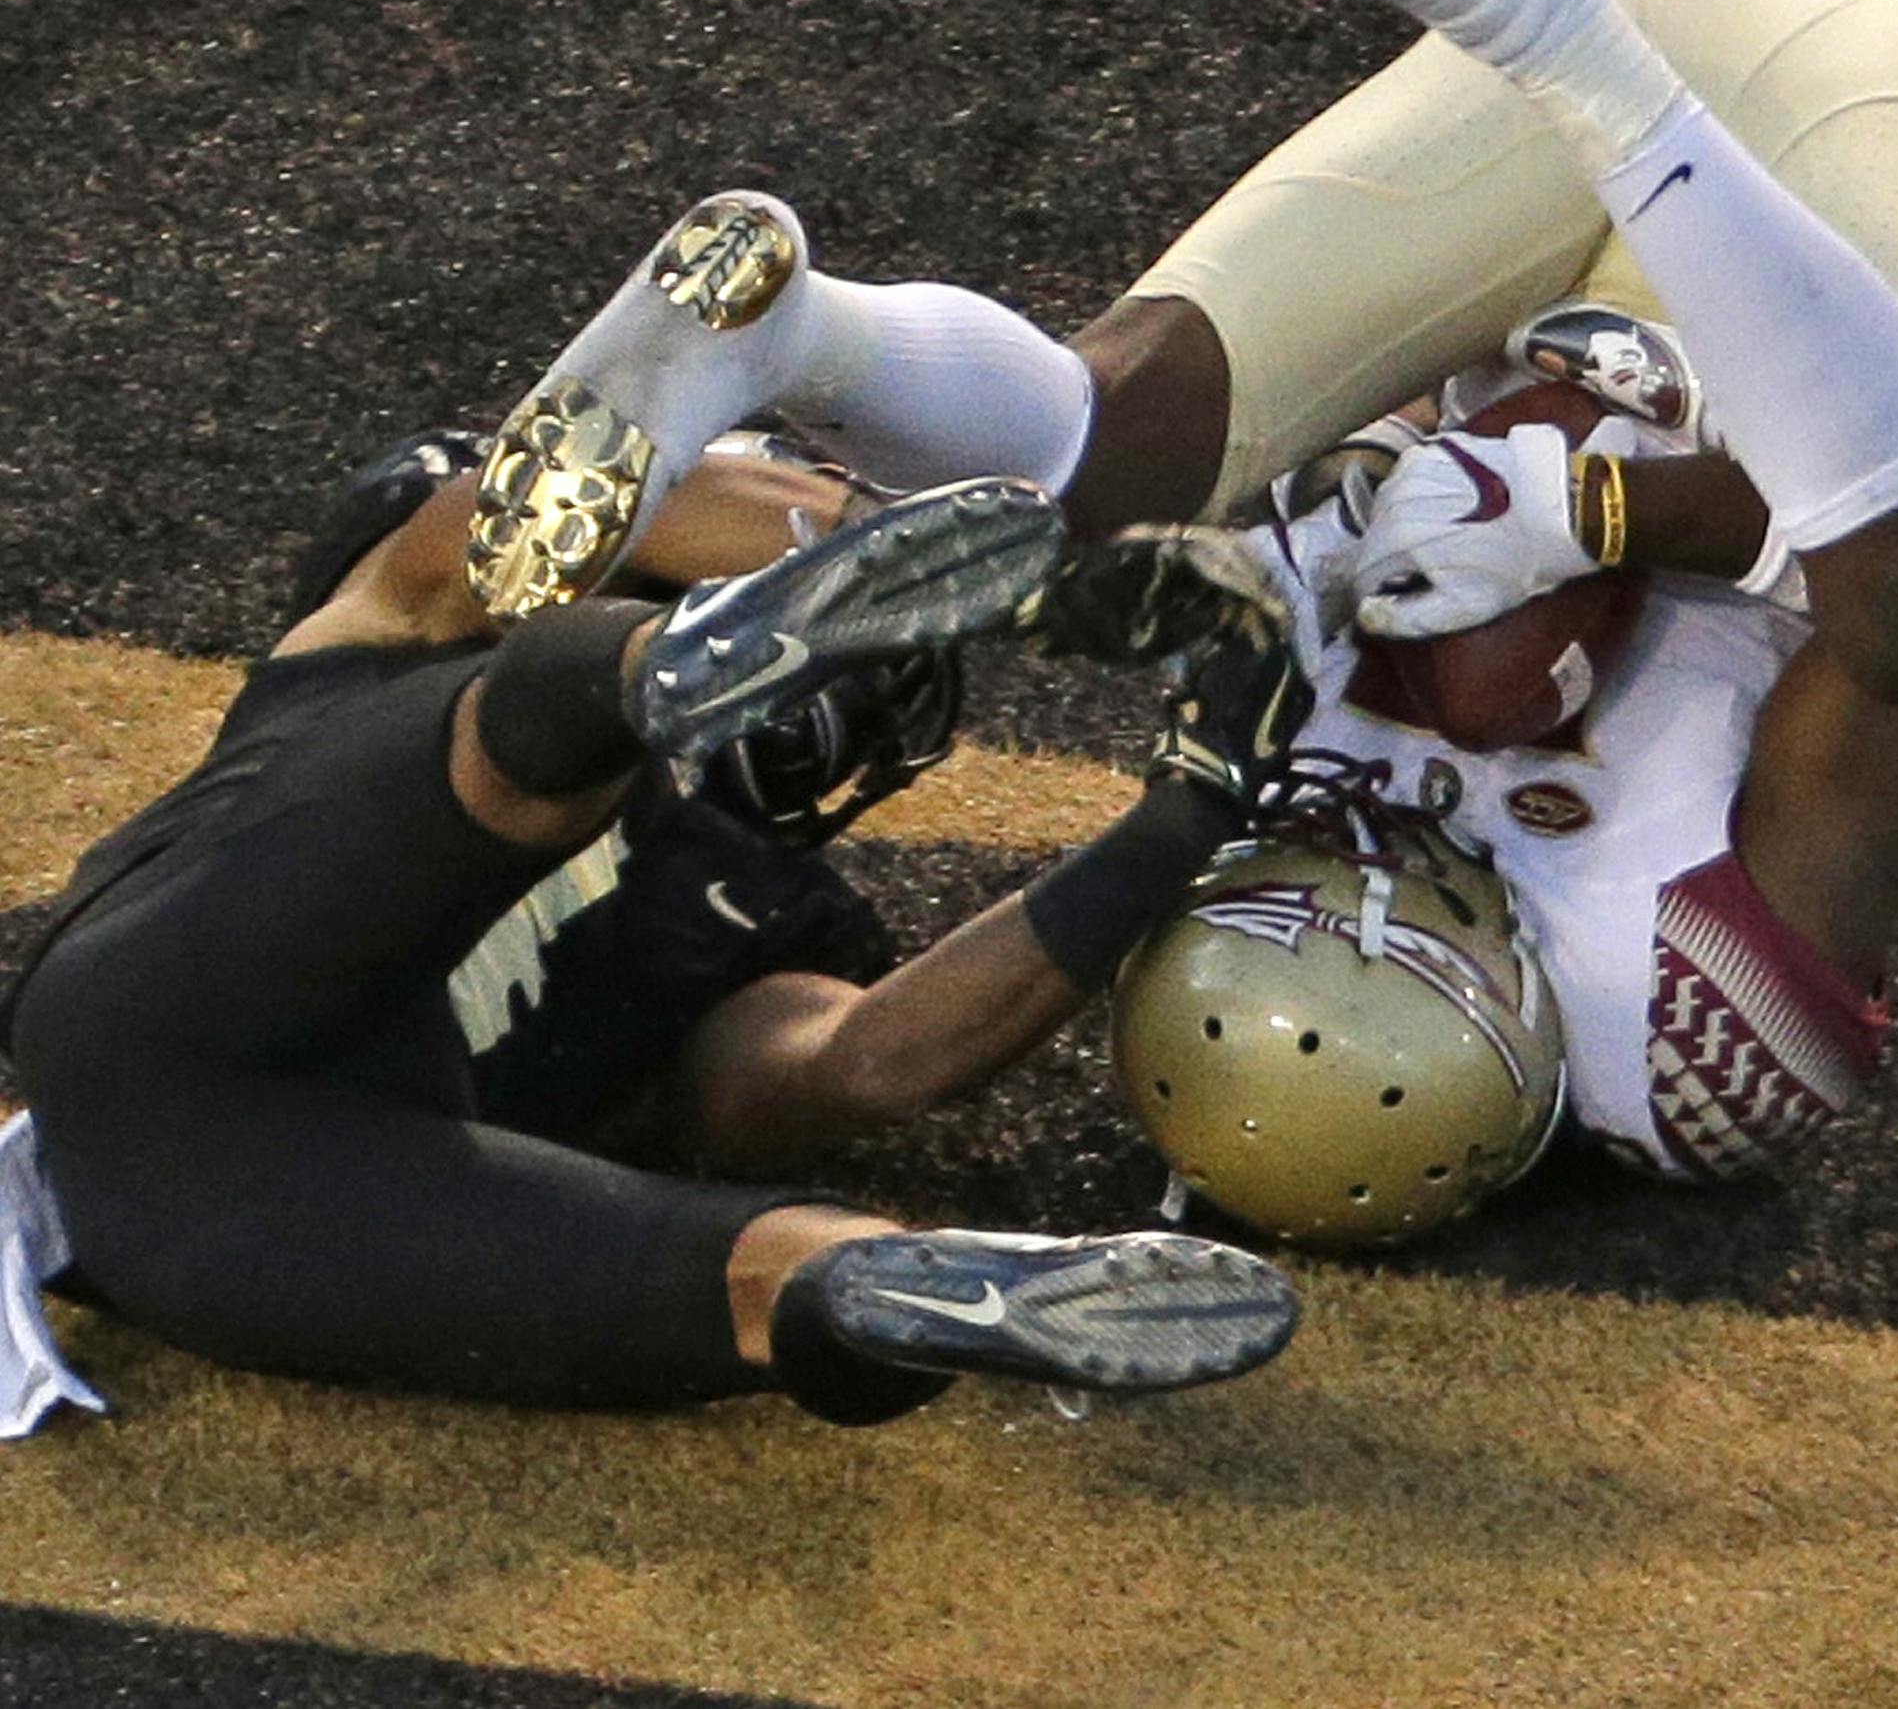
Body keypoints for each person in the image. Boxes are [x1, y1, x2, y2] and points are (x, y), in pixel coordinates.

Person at [458, 0, 1898, 1190]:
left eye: (1295, 899)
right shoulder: (1696, 1032)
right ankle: (1562, 30)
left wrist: (1402, 513)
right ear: (1512, 1046)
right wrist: (1608, 516)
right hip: (1857, 162)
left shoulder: (1241, 825)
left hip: (1572, 152)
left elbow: (1181, 548)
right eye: (1418, 931)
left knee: (1106, 460)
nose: (1364, 866)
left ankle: (806, 333)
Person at [0, 417, 1309, 1433]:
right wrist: (1174, 823)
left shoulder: (396, 651)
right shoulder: (404, 620)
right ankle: (862, 1278)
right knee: (736, 1283)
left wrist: (1009, 590)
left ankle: (870, 1283)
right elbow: (872, 1059)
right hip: (251, 1160)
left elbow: (859, 1060)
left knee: (515, 750)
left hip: (170, 1173)